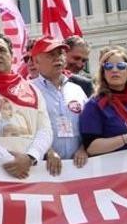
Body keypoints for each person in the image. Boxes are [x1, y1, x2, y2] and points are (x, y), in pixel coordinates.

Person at [0, 33, 53, 179]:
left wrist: (30, 157)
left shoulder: (32, 90)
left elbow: (45, 129)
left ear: (12, 55)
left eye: (2, 50)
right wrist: (8, 160)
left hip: (32, 171)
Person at [31, 36, 89, 176]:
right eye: (51, 55)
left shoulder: (77, 90)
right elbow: (27, 129)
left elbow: (89, 125)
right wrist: (47, 152)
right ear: (36, 62)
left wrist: (84, 148)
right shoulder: (29, 91)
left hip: (79, 169)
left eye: (61, 54)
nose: (58, 58)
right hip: (43, 170)